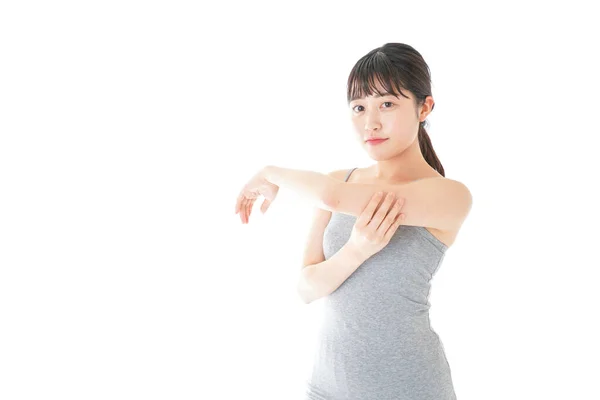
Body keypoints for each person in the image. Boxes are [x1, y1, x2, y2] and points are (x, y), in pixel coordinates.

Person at [234, 42, 472, 399]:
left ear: (425, 107)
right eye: (359, 107)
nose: (370, 122)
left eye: (387, 104)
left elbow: (331, 197)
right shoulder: (340, 179)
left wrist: (271, 172)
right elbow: (306, 288)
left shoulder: (448, 196)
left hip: (409, 388)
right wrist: (356, 251)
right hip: (327, 387)